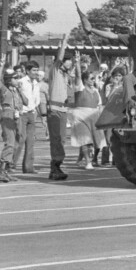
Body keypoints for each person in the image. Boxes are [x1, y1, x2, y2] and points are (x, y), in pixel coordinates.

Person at [43, 34, 73, 180]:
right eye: (68, 61)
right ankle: (54, 166)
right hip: (55, 110)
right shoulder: (55, 71)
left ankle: (57, 165)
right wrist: (64, 44)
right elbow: (59, 58)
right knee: (56, 139)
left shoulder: (65, 76)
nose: (69, 64)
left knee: (62, 139)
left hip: (63, 109)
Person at [69, 63, 106, 170]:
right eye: (91, 78)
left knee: (95, 141)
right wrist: (77, 62)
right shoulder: (79, 88)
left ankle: (84, 158)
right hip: (81, 116)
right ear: (84, 80)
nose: (93, 80)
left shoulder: (96, 91)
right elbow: (77, 76)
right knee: (85, 139)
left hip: (94, 115)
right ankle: (87, 162)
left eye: (94, 78)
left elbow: (99, 105)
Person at [0, 70, 25, 182]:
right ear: (8, 80)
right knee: (10, 143)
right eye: (15, 78)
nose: (17, 80)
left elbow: (25, 102)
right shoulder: (4, 90)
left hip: (16, 116)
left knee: (17, 143)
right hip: (8, 116)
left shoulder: (16, 91)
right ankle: (1, 172)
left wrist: (20, 90)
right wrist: (1, 66)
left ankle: (7, 171)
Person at [12, 63, 39, 174]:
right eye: (33, 70)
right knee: (20, 140)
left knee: (30, 141)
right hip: (22, 113)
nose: (36, 72)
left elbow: (35, 99)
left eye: (37, 70)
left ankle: (28, 167)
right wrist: (17, 113)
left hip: (32, 113)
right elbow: (16, 98)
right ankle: (11, 165)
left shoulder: (36, 83)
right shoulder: (21, 82)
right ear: (27, 71)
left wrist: (36, 111)